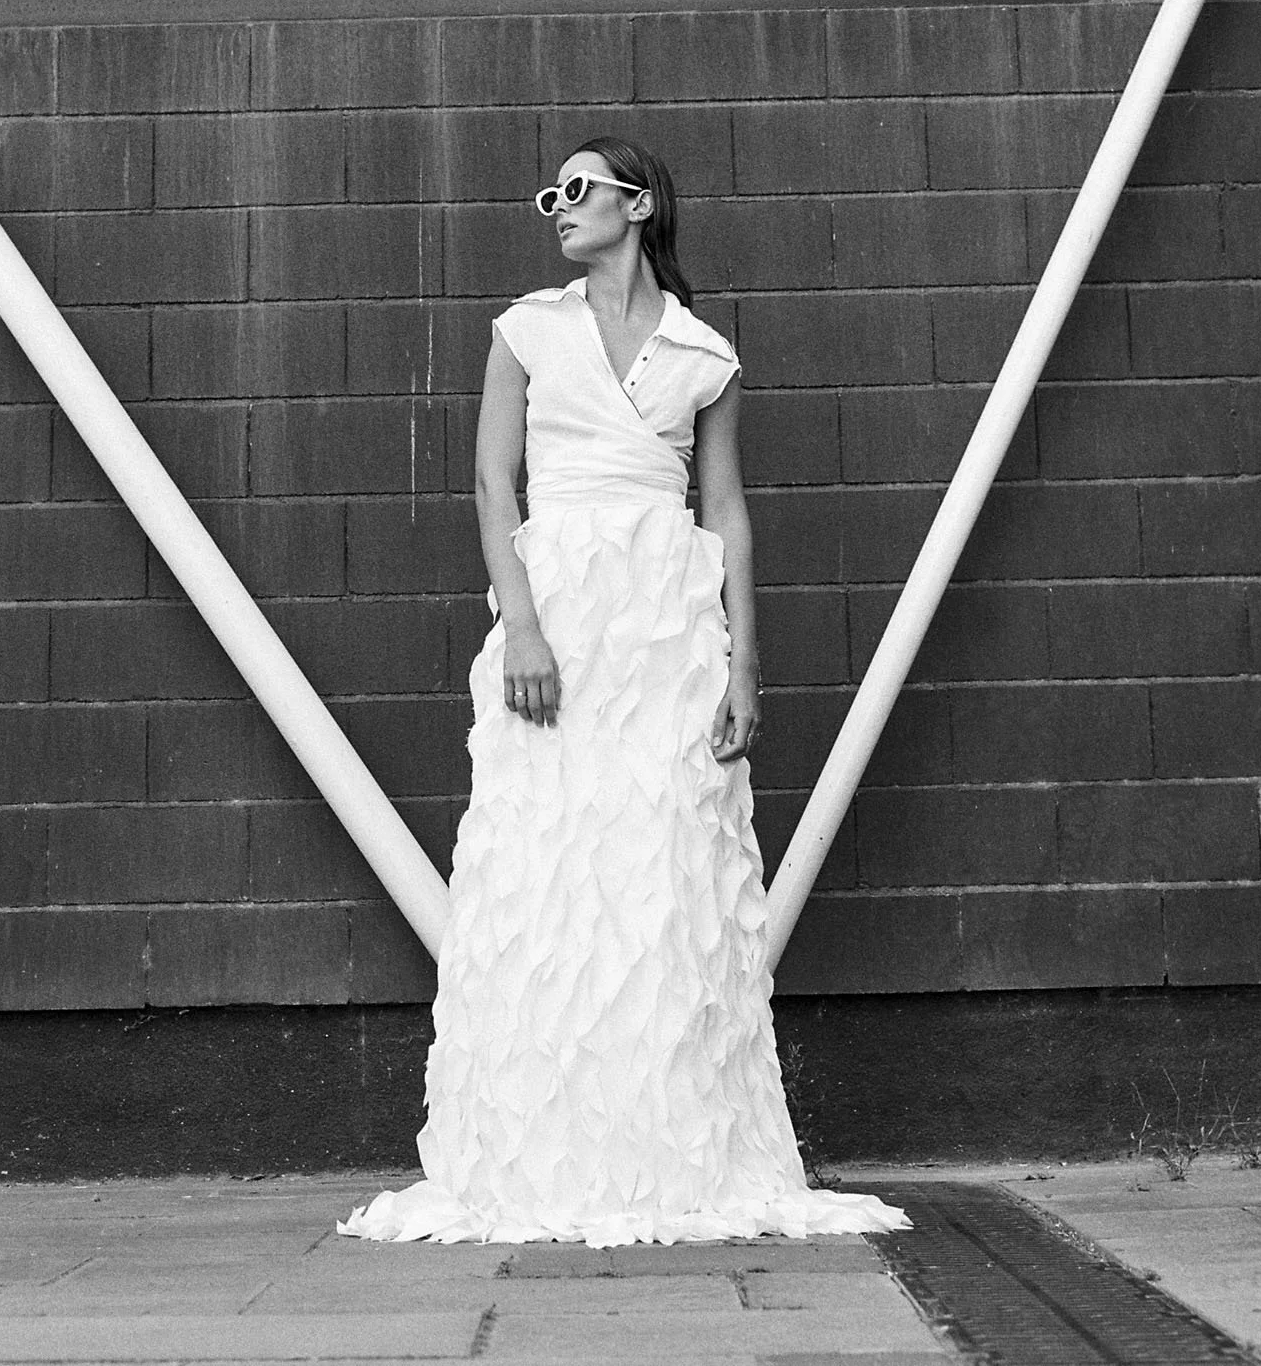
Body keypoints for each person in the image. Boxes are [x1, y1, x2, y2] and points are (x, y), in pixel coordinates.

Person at [342, 137, 907, 1246]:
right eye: (550, 189)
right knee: (546, 878)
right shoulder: (527, 331)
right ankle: (543, 1158)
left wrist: (745, 661)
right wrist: (524, 627)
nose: (557, 204)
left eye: (580, 188)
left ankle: (668, 1159)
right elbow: (491, 484)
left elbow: (728, 512)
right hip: (560, 615)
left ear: (638, 206)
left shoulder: (705, 354)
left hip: (668, 629)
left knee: (663, 883)